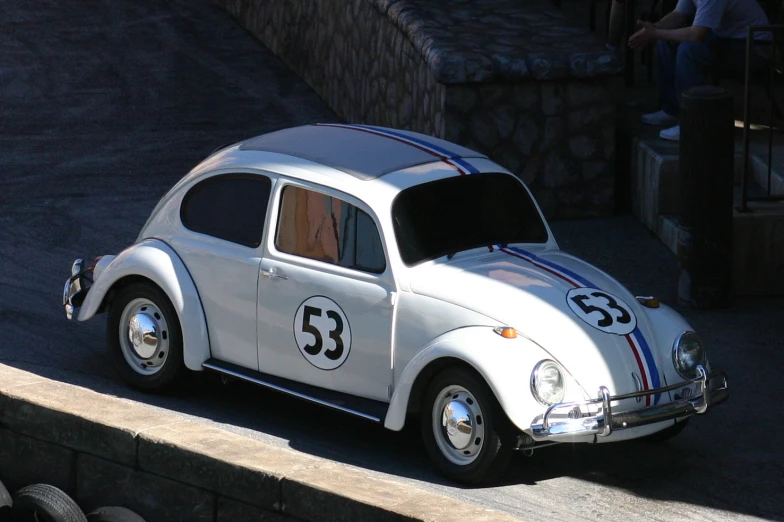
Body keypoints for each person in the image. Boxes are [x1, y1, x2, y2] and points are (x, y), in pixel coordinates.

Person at [628, 0, 771, 141]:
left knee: (689, 50)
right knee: (666, 41)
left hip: (752, 48)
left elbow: (696, 35)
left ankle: (692, 122)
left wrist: (656, 33)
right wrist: (651, 30)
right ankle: (671, 110)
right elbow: (679, 14)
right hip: (725, 41)